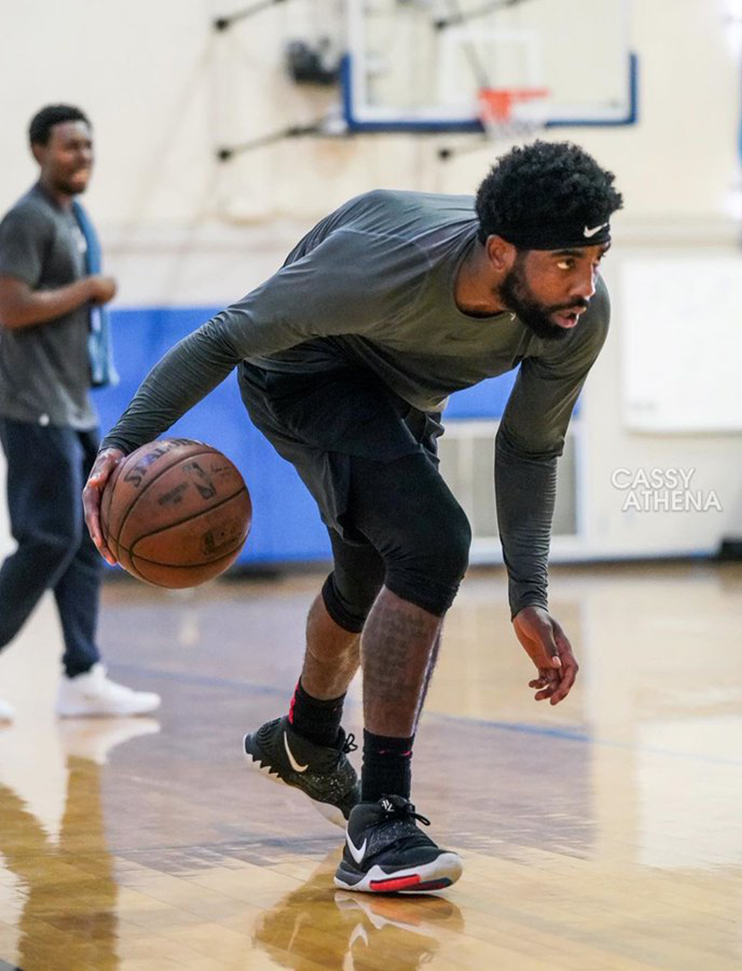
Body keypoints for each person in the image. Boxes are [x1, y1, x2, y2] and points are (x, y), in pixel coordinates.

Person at [83, 140, 622, 893]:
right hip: (302, 373)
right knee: (433, 542)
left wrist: (527, 593)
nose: (586, 283)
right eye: (567, 261)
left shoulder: (577, 314)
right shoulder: (381, 264)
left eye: (597, 257)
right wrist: (121, 444)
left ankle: (305, 738)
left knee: (374, 567)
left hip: (401, 398)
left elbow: (530, 448)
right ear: (500, 251)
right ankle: (381, 819)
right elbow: (228, 334)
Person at [0, 104, 160, 722]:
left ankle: (83, 675)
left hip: (71, 402)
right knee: (48, 536)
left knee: (92, 533)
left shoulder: (74, 217)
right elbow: (11, 308)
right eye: (70, 147)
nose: (82, 157)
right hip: (32, 404)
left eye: (88, 147)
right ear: (39, 150)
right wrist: (88, 289)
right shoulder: (27, 220)